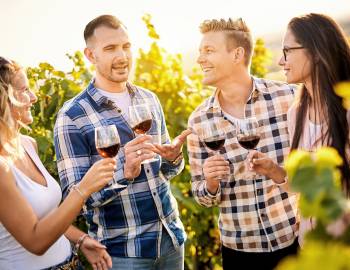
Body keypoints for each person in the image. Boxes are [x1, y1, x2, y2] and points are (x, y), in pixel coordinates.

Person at [54, 15, 190, 270]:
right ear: (90, 55)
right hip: (122, 253)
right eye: (110, 48)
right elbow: (76, 199)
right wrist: (123, 172)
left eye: (126, 46)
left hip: (171, 240)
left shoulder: (148, 100)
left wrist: (172, 159)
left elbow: (164, 172)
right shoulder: (72, 116)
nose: (122, 56)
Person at [187, 18, 298, 270]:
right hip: (239, 251)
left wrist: (277, 172)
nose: (200, 59)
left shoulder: (288, 98)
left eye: (209, 50)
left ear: (237, 54)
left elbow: (314, 167)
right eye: (200, 52)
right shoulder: (199, 120)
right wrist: (211, 183)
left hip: (293, 239)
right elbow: (202, 196)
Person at [0, 57, 115, 270]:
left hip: (71, 263)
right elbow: (35, 241)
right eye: (24, 90)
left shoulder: (27, 144)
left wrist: (79, 239)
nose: (33, 97)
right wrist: (83, 189)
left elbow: (43, 215)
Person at [247, 13, 350, 245]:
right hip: (311, 246)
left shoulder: (348, 110)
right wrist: (275, 171)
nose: (280, 62)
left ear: (315, 52)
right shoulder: (296, 113)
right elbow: (306, 185)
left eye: (287, 51)